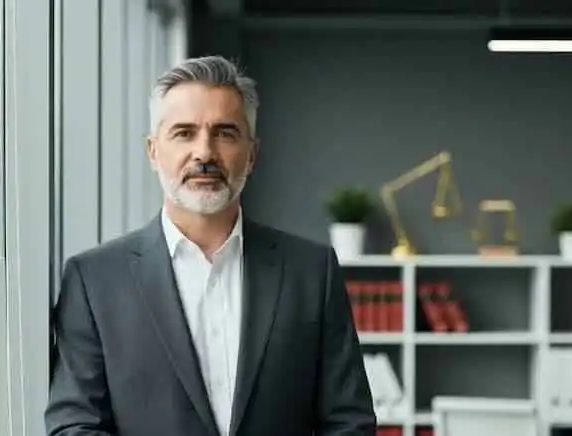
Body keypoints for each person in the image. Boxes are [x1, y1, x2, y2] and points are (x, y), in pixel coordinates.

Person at [45, 55, 376, 436]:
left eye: (224, 133)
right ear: (153, 151)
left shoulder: (311, 273)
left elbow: (349, 424)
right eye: (184, 133)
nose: (204, 153)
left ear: (252, 154)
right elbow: (75, 426)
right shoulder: (93, 281)